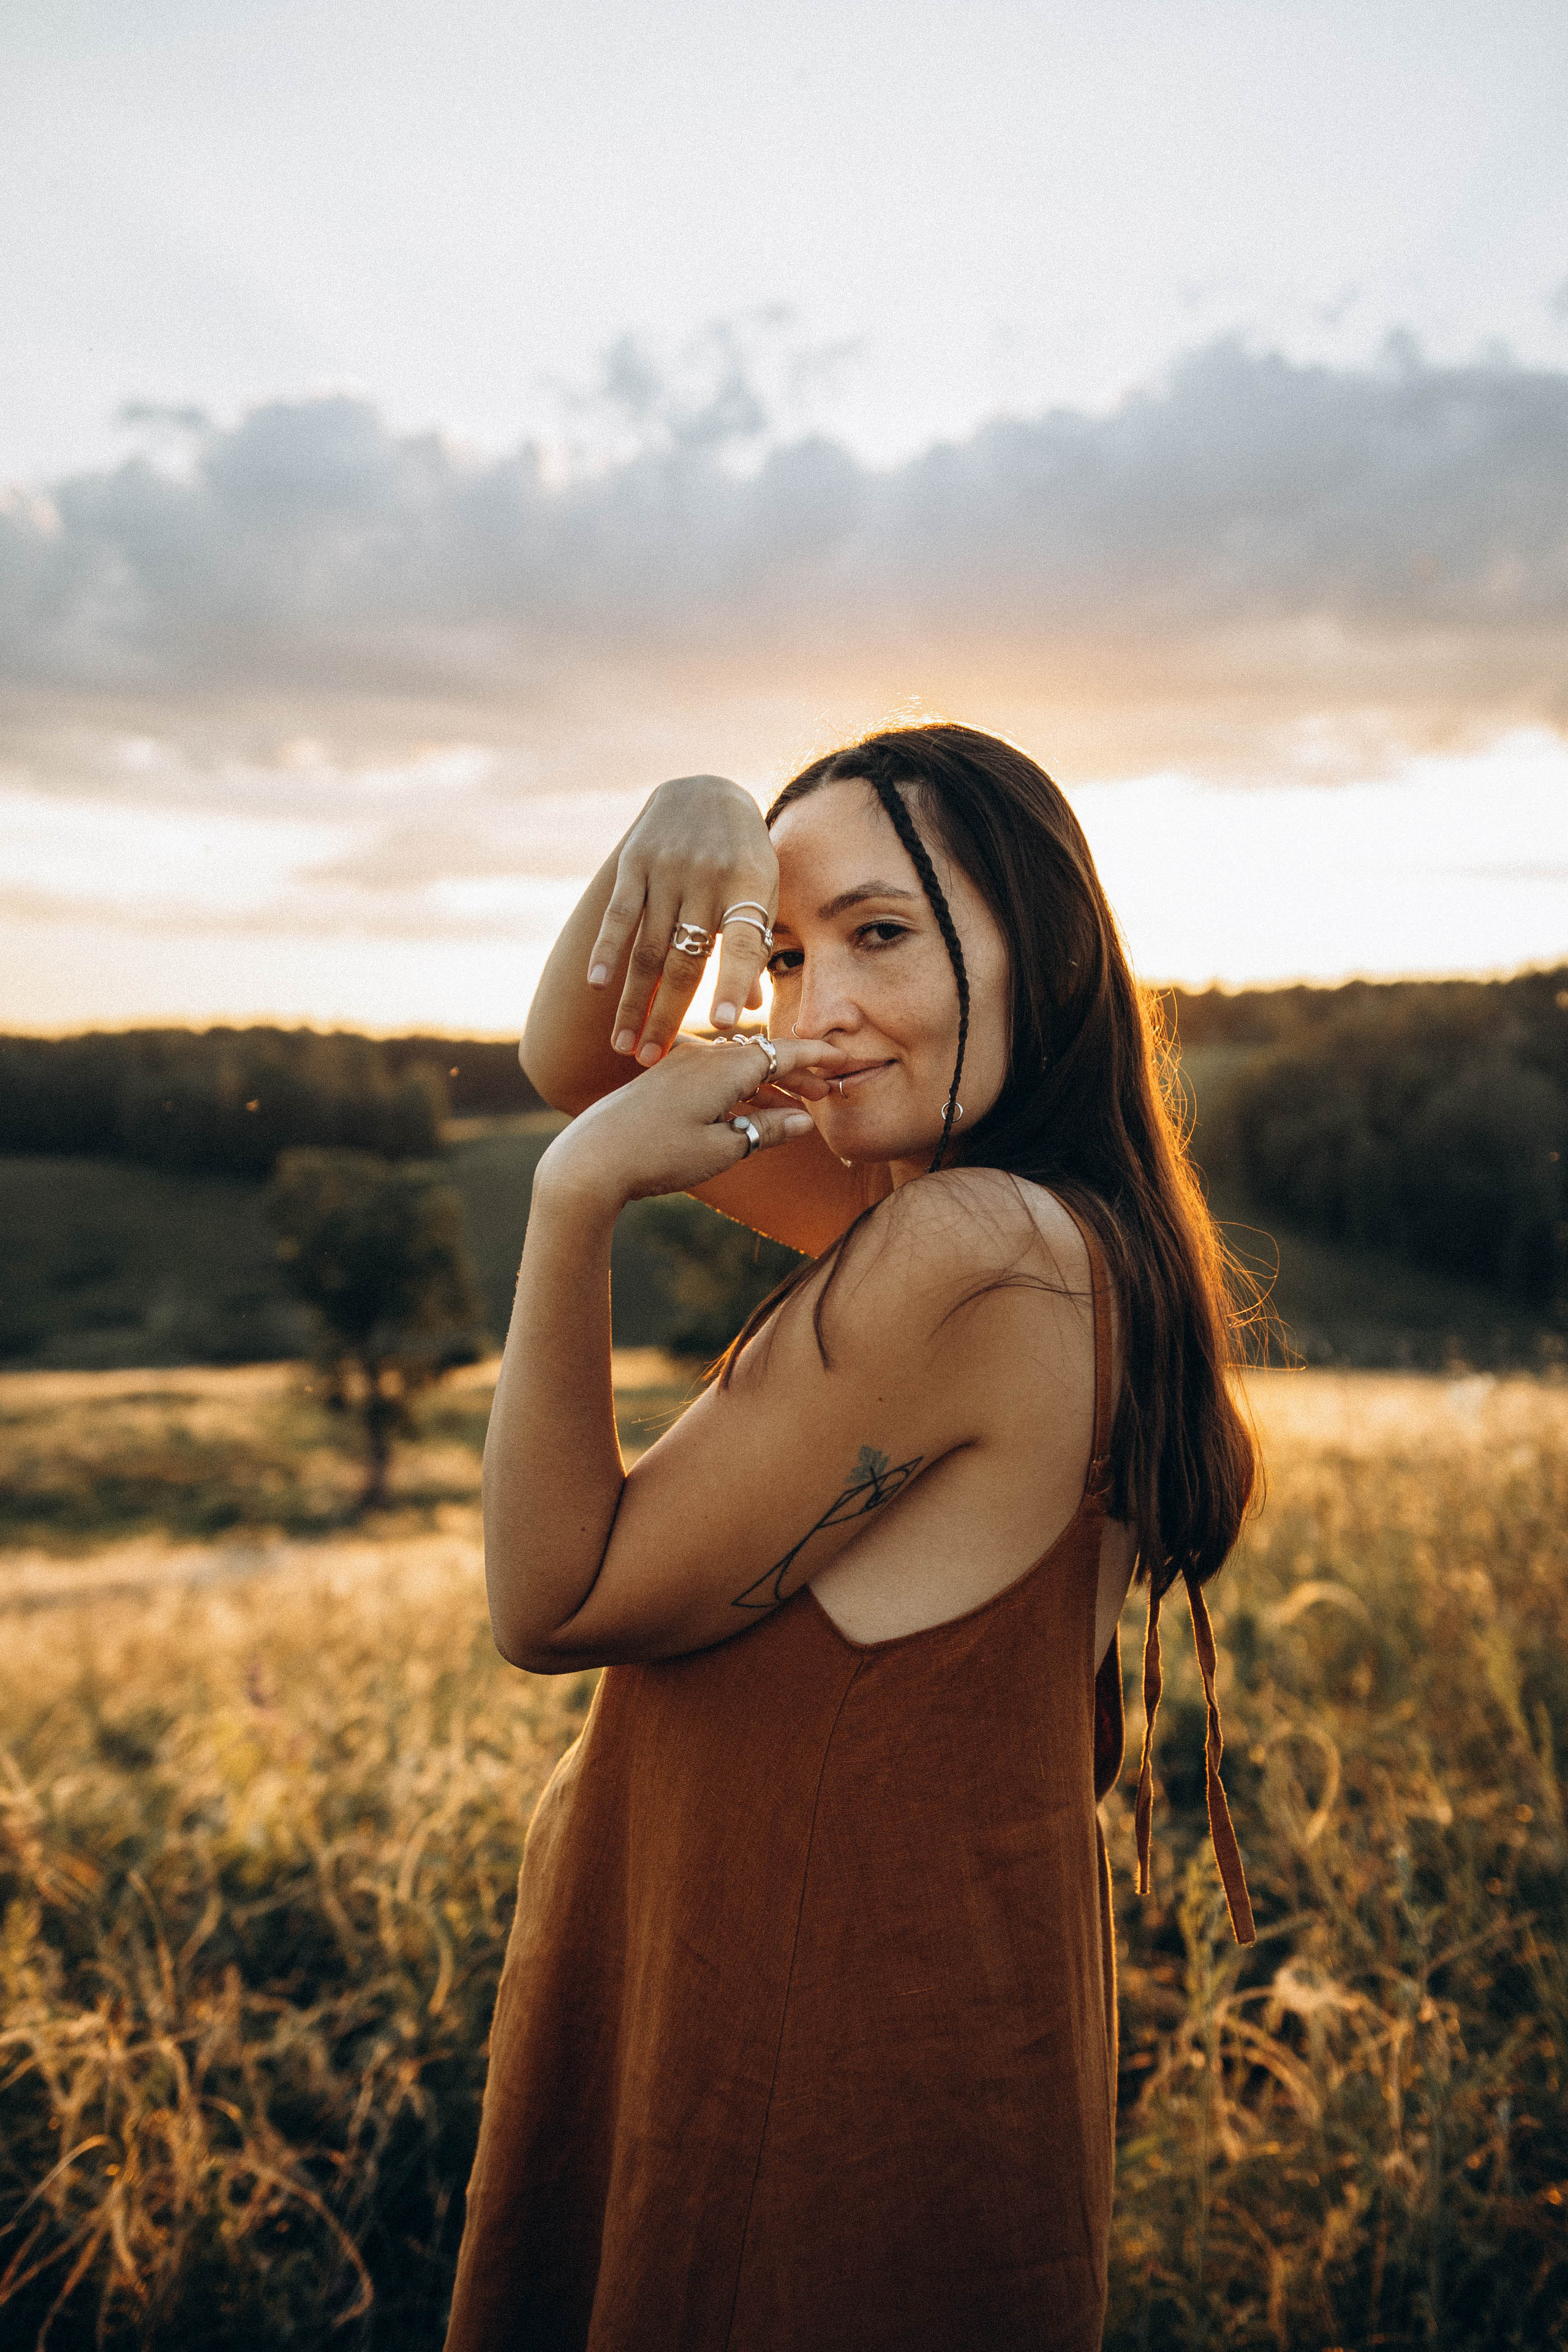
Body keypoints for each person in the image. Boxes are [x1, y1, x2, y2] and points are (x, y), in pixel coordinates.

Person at [443, 723, 1257, 2352]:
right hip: (896, 2042)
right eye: (791, 952)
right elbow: (588, 1061)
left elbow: (553, 1599)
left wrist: (567, 1208)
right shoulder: (1013, 1215)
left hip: (814, 2095)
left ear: (1055, 946)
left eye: (883, 936)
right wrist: (687, 824)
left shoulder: (965, 1250)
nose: (821, 1010)